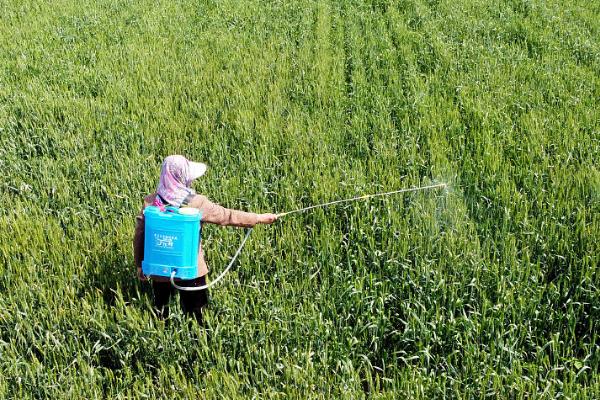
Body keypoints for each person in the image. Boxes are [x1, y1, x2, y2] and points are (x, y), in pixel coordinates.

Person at [133, 155, 277, 324]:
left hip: (160, 270)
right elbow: (227, 216)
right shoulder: (196, 203)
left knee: (161, 311)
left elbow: (139, 236)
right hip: (191, 271)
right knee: (197, 315)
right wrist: (258, 218)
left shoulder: (150, 203)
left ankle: (163, 337)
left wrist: (139, 265)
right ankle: (198, 342)